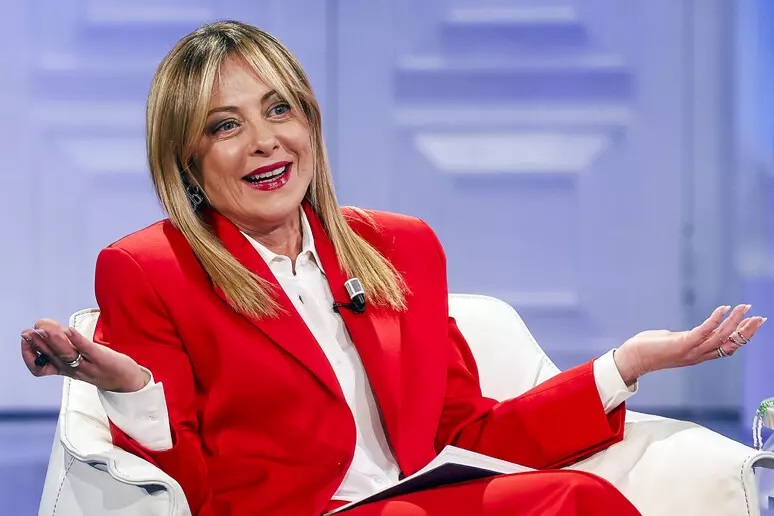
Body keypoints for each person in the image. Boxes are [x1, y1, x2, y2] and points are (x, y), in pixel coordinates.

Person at [20, 20, 765, 516]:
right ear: (186, 162)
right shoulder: (149, 270)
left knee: (575, 497)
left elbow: (470, 433)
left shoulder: (397, 247)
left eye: (279, 110)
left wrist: (625, 365)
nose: (264, 141)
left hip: (416, 499)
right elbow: (184, 491)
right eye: (225, 126)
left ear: (310, 121)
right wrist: (129, 388)